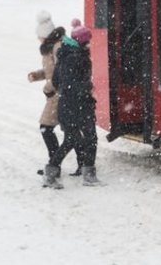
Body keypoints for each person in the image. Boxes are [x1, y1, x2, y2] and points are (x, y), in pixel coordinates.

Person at [43, 19, 101, 189]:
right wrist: (86, 86)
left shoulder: (65, 55)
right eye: (87, 42)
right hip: (77, 105)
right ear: (81, 42)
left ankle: (54, 173)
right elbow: (70, 83)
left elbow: (56, 80)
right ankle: (86, 175)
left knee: (75, 140)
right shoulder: (76, 58)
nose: (89, 45)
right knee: (85, 139)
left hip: (70, 105)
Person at [27, 11, 83, 177]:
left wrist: (49, 87)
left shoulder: (57, 47)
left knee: (46, 128)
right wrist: (37, 75)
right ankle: (83, 164)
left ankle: (54, 164)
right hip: (59, 93)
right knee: (71, 131)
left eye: (39, 36)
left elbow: (62, 73)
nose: (38, 39)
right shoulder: (50, 47)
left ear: (45, 34)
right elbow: (51, 71)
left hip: (61, 95)